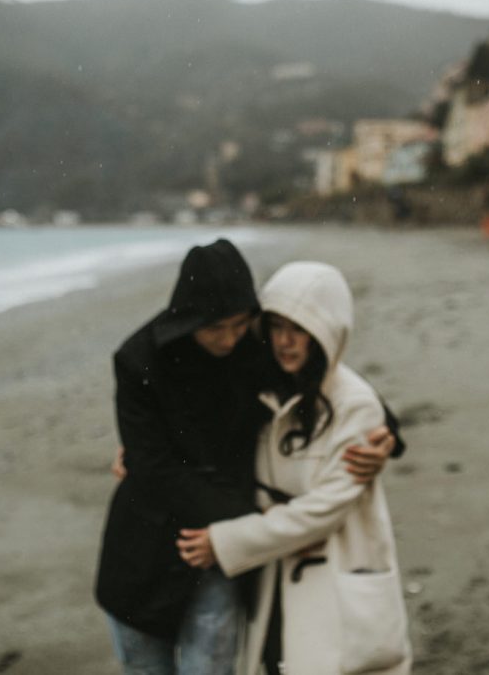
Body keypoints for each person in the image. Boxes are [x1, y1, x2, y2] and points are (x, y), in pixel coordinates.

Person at [96, 240, 402, 674]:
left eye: (240, 324)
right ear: (190, 319)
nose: (229, 339)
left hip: (220, 555)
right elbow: (154, 470)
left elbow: (328, 378)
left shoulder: (252, 344)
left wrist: (387, 433)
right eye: (215, 328)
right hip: (145, 549)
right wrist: (254, 523)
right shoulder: (137, 360)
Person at [177, 261, 412, 674]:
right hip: (273, 572)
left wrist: (227, 541)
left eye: (300, 329)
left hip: (332, 569)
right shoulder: (260, 385)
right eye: (277, 326)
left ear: (327, 333)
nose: (285, 341)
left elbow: (323, 510)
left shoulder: (354, 404)